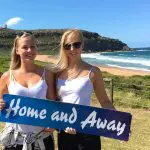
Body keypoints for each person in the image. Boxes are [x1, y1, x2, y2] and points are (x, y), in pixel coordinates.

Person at [50, 29, 116, 150]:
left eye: (76, 44)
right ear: (63, 48)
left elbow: (105, 101)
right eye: (67, 46)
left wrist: (119, 122)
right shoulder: (56, 72)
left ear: (82, 44)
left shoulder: (93, 72)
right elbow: (53, 101)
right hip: (65, 131)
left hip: (88, 130)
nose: (72, 49)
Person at [0, 32, 56, 150]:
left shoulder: (47, 74)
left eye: (32, 46)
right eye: (25, 47)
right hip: (14, 141)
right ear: (17, 51)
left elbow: (53, 103)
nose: (30, 50)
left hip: (42, 138)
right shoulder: (7, 76)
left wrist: (52, 123)